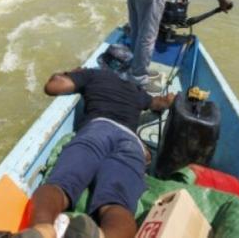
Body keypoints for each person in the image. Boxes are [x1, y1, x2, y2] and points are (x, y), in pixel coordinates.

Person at [22, 66, 176, 238]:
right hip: (131, 142)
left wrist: (68, 73)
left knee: (60, 185)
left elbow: (53, 87)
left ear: (104, 64)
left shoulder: (93, 74)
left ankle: (42, 230)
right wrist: (169, 100)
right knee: (116, 204)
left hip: (98, 129)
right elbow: (159, 104)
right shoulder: (135, 90)